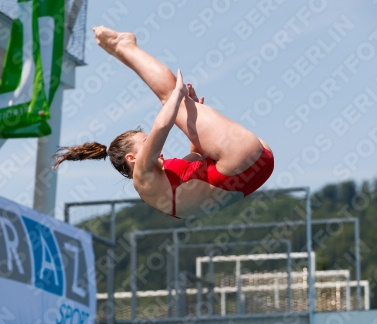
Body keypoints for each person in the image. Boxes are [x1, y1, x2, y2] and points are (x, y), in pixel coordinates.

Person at [52, 26, 274, 219]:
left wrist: (195, 119)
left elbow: (198, 157)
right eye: (146, 142)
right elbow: (161, 127)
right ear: (132, 158)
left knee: (176, 100)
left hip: (250, 169)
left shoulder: (165, 175)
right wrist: (175, 98)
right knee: (168, 94)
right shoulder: (142, 178)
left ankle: (121, 49)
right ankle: (124, 45)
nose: (156, 147)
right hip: (241, 162)